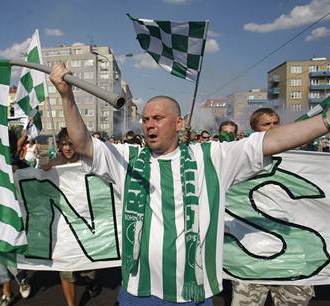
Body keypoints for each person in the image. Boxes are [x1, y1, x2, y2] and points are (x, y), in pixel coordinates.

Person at [49, 63, 330, 305]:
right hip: (137, 292)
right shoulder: (127, 158)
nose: (149, 125)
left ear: (179, 122)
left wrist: (326, 121)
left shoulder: (213, 157)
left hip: (194, 294)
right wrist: (66, 96)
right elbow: (83, 143)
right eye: (146, 119)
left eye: (158, 118)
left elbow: (274, 141)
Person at [231, 107, 315, 306]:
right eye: (267, 124)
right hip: (250, 254)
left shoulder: (297, 156)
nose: (273, 127)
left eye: (276, 123)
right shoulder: (241, 157)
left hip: (292, 255)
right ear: (255, 129)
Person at [42, 128, 101, 306]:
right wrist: (42, 173)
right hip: (63, 226)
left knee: (88, 270)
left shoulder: (89, 163)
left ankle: (91, 282)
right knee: (66, 269)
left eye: (71, 143)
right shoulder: (53, 164)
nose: (67, 148)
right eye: (64, 144)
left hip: (86, 224)